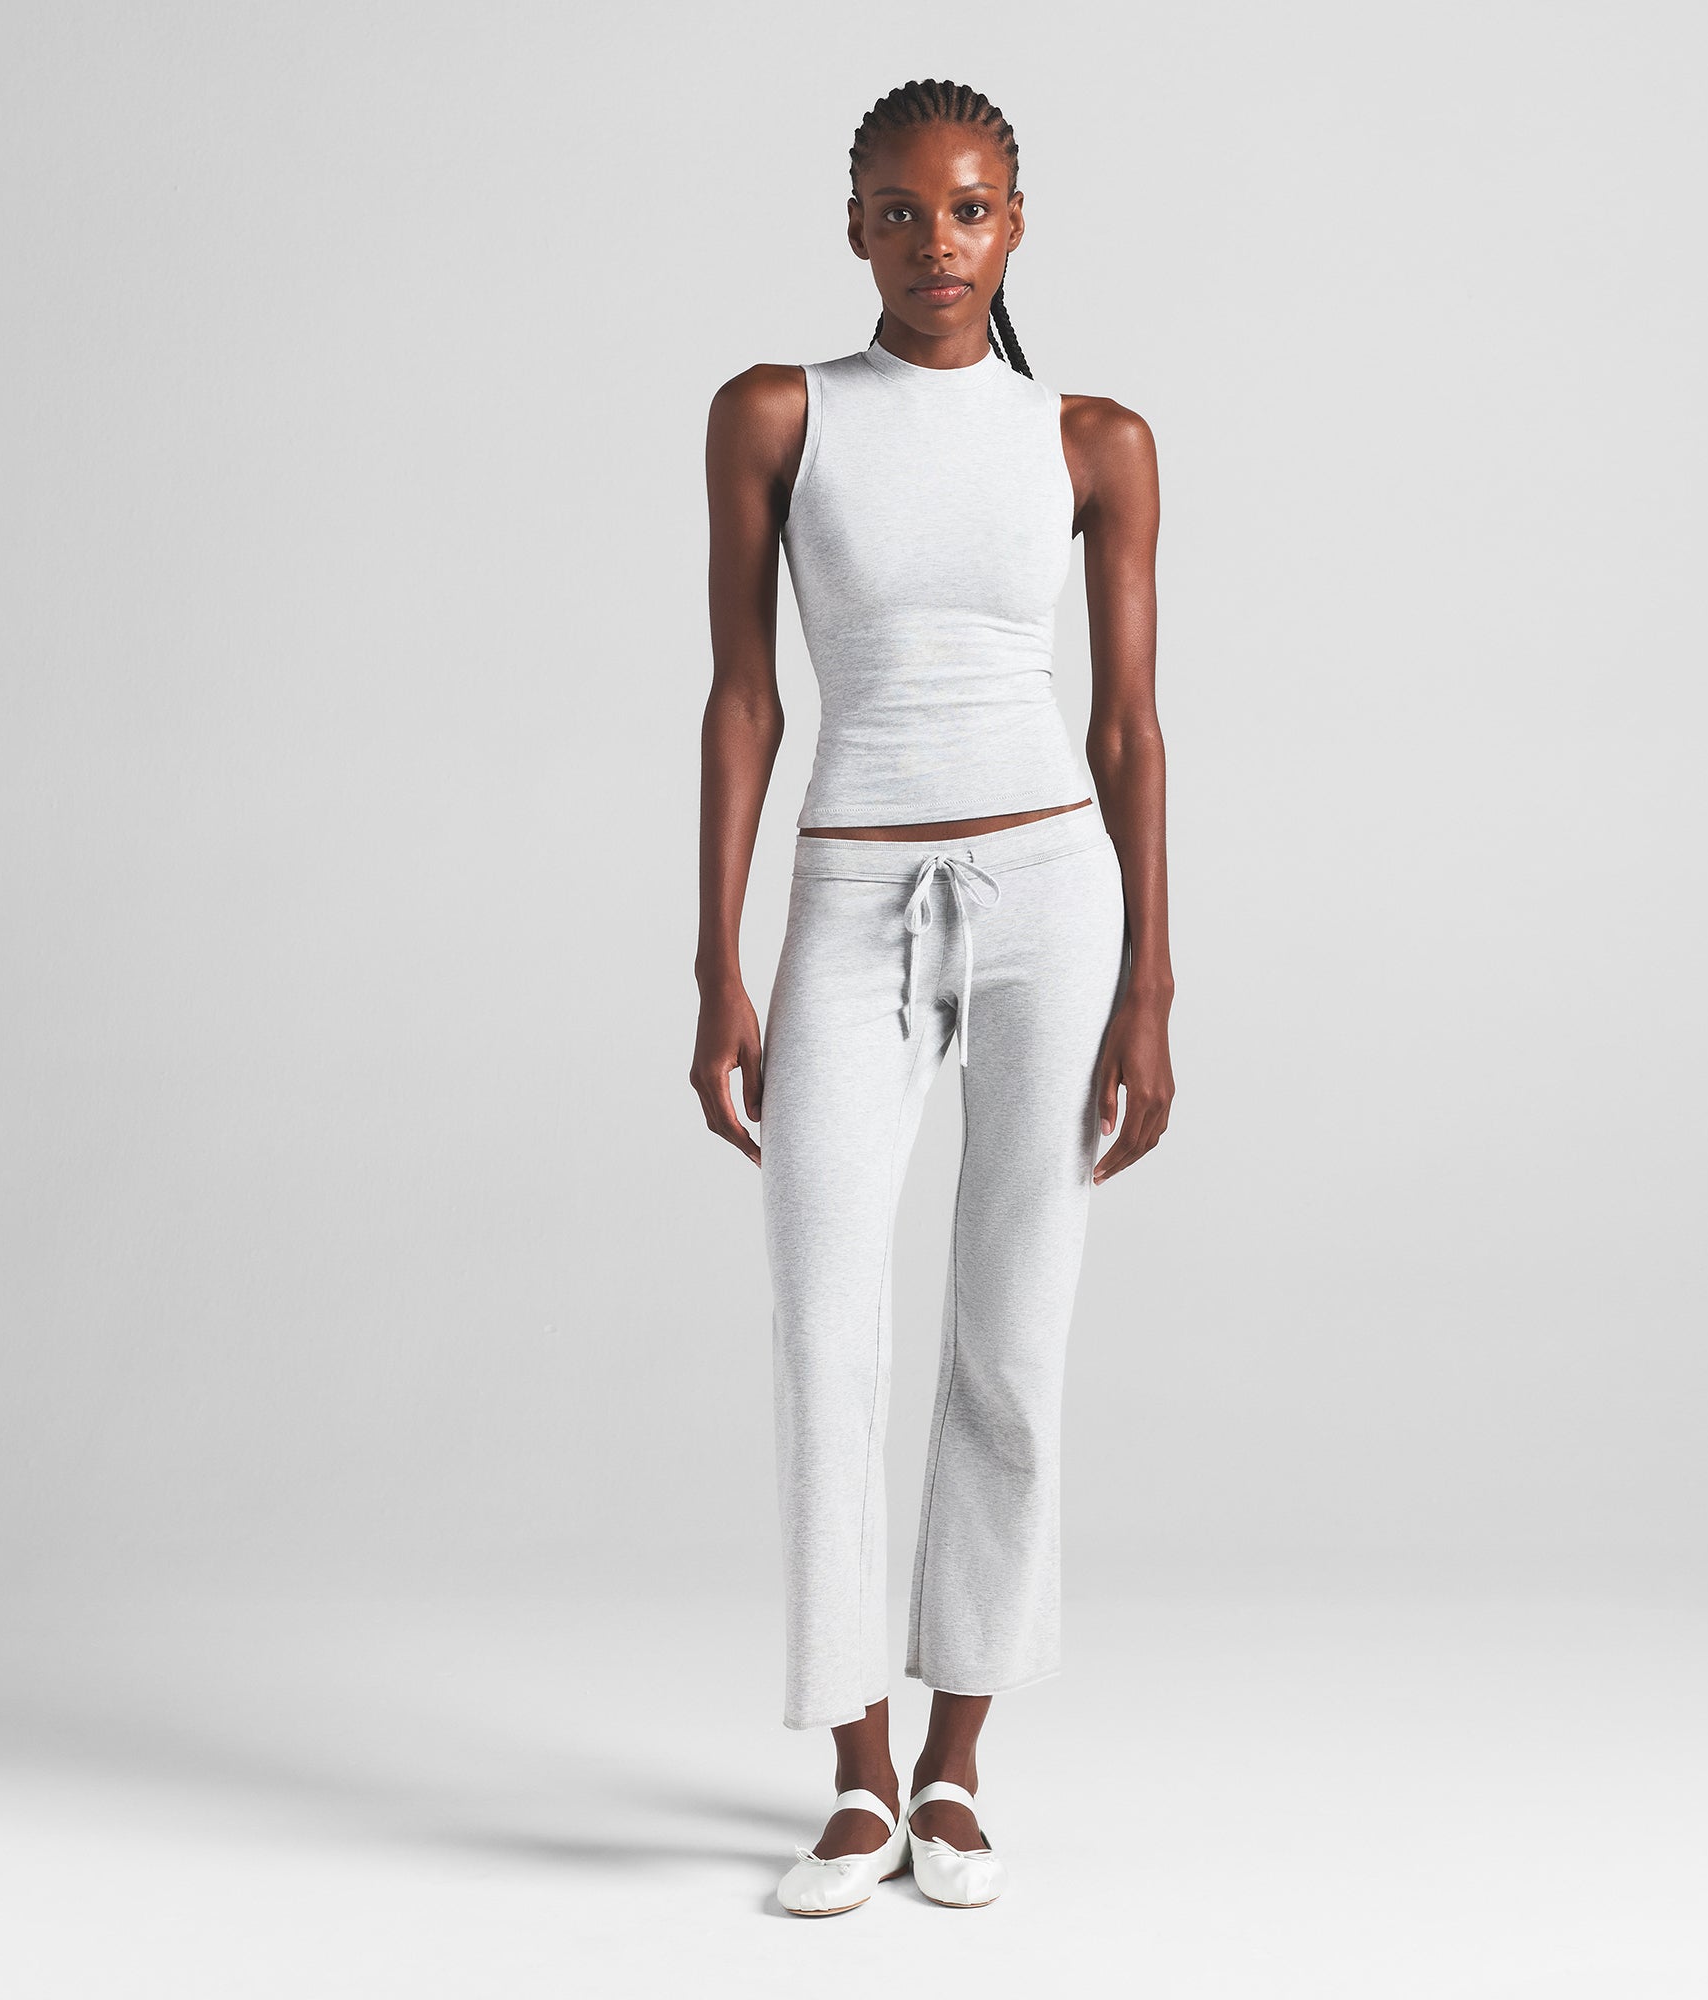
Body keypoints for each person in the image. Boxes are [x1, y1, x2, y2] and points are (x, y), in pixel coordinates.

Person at [691, 77, 1174, 1916]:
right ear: (854, 228)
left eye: (968, 210)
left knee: (1012, 1337)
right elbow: (747, 697)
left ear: (1016, 223)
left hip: (1054, 895)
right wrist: (718, 963)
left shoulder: (1094, 439)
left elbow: (1128, 728)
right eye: (899, 211)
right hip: (850, 898)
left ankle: (958, 1764)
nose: (935, 244)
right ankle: (855, 1773)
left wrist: (1151, 984)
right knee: (827, 1330)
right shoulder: (777, 413)